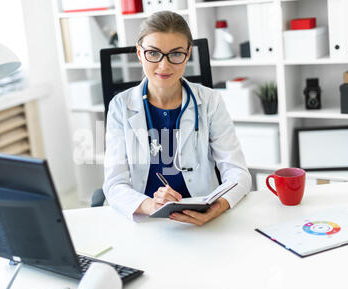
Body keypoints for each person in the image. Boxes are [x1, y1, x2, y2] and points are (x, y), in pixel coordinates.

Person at [103, 11, 252, 226]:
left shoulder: (210, 101)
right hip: (145, 221)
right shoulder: (120, 107)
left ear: (188, 53)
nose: (164, 66)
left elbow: (238, 173)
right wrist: (149, 205)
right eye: (153, 53)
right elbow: (114, 184)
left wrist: (216, 207)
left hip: (202, 219)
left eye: (175, 54)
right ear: (139, 52)